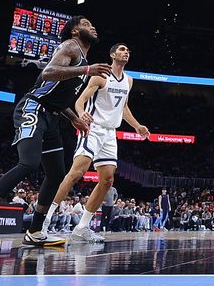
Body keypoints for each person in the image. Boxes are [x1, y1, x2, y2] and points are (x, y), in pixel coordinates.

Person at [0, 16, 111, 251]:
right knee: (28, 163)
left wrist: (74, 119)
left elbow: (58, 100)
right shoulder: (70, 46)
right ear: (75, 31)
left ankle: (36, 231)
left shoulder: (83, 58)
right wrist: (87, 69)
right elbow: (48, 73)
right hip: (33, 108)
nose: (93, 26)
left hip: (51, 115)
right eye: (87, 24)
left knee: (57, 172)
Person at [42, 43, 150, 243]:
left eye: (128, 50)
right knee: (76, 173)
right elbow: (79, 100)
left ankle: (82, 227)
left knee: (108, 180)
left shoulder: (129, 80)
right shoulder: (100, 76)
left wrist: (137, 126)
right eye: (122, 50)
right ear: (112, 54)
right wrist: (81, 113)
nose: (126, 52)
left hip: (110, 133)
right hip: (93, 129)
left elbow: (123, 107)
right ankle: (44, 220)